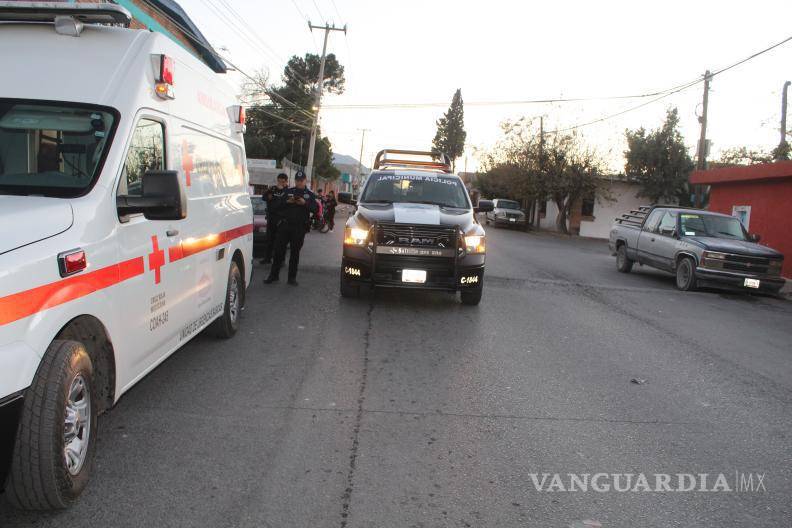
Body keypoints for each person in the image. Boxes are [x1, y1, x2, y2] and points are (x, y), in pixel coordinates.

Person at [264, 170, 318, 286]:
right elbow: (277, 206)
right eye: (297, 180)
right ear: (295, 181)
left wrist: (304, 203)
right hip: (285, 226)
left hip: (299, 228)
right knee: (278, 251)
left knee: (295, 253)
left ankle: (291, 278)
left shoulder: (310, 194)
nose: (299, 182)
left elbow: (315, 209)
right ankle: (274, 275)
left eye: (301, 180)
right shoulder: (288, 191)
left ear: (305, 181)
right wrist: (287, 202)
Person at [261, 172, 288, 264]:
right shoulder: (272, 189)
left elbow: (283, 204)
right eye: (279, 181)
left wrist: (274, 198)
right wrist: (269, 196)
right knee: (269, 240)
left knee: (281, 242)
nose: (280, 183)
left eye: (282, 182)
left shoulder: (288, 191)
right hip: (271, 218)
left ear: (286, 182)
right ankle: (267, 258)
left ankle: (281, 260)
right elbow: (264, 198)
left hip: (281, 220)